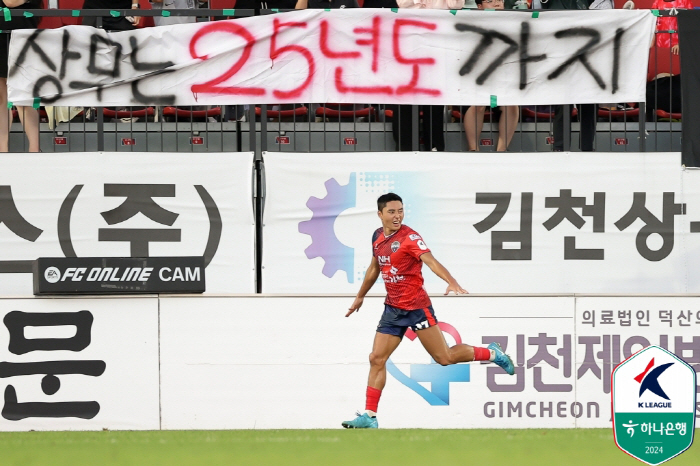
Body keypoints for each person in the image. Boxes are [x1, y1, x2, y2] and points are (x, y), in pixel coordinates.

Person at [341, 193, 514, 429]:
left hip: (416, 308)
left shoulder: (410, 237)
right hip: (393, 308)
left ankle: (494, 354)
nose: (397, 216)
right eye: (391, 212)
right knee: (376, 358)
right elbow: (375, 267)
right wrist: (360, 295)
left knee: (444, 358)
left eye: (400, 210)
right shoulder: (377, 236)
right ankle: (370, 417)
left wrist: (451, 281)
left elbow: (431, 261)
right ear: (380, 214)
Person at [463, 0, 520, 152]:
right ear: (479, 7)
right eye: (490, 1)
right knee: (478, 104)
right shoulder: (472, 25)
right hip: (477, 79)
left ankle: (501, 150)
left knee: (512, 106)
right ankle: (473, 149)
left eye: (499, 0)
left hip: (504, 77)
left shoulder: (513, 23)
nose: (496, 4)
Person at [0, 0, 41, 153]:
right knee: (1, 98)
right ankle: (2, 149)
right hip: (1, 38)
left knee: (23, 99)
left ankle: (35, 149)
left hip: (21, 40)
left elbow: (10, 2)